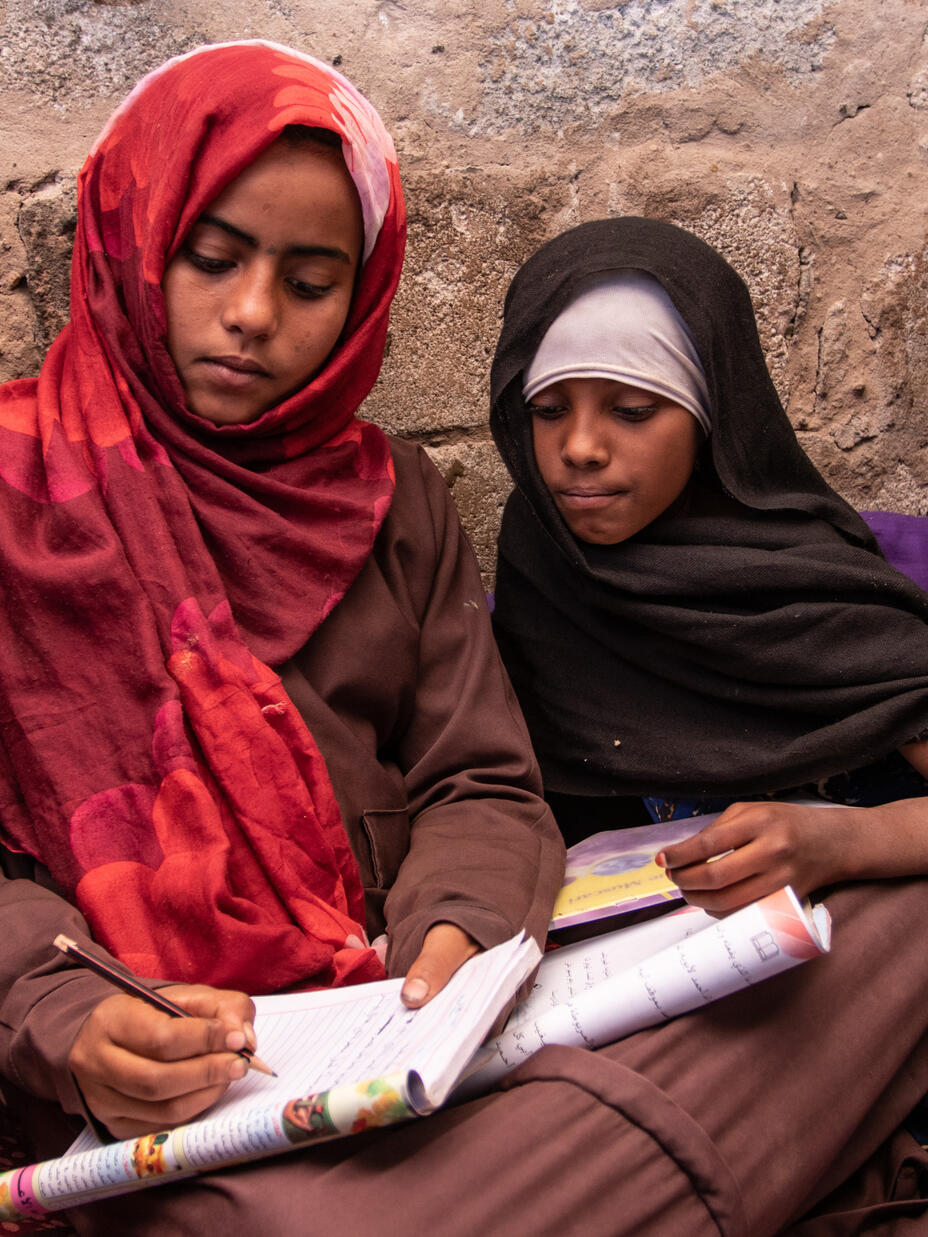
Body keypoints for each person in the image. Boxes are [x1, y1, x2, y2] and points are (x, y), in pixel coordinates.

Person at [0, 40, 568, 1231]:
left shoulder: (393, 497)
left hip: (384, 1028)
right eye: (210, 259)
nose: (251, 316)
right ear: (133, 240)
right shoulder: (15, 489)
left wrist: (451, 939)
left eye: (310, 285)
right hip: (129, 1078)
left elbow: (483, 779)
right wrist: (61, 1011)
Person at [488, 217, 928, 1231]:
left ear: (713, 415)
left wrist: (844, 840)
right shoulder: (548, 589)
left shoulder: (810, 595)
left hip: (866, 990)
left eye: (633, 409)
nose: (580, 449)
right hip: (665, 1010)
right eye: (548, 410)